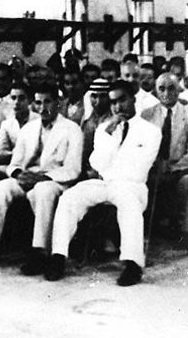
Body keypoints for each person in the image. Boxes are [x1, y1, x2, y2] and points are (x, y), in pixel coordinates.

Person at [46, 80, 161, 286]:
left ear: (133, 99)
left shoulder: (150, 131)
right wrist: (110, 137)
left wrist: (112, 168)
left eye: (122, 100)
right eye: (113, 102)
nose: (118, 107)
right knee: (69, 197)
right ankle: (58, 256)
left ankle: (133, 264)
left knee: (129, 203)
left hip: (132, 185)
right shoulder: (104, 129)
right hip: (105, 182)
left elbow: (139, 168)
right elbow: (97, 163)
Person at [0, 84, 83, 274]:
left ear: (58, 103)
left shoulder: (72, 129)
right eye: (38, 102)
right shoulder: (29, 128)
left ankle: (40, 252)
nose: (43, 107)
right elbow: (14, 163)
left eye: (48, 101)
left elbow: (73, 168)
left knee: (43, 191)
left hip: (54, 180)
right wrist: (18, 174)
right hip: (27, 177)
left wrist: (42, 177)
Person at [141, 73, 188, 243]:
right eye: (162, 89)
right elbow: (140, 145)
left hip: (180, 167)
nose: (166, 93)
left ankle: (178, 226)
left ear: (179, 90)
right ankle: (149, 227)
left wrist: (174, 167)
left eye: (171, 88)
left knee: (185, 182)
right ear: (156, 91)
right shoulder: (146, 115)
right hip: (153, 165)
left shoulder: (187, 113)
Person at [0, 82, 39, 170]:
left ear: (30, 100)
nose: (17, 102)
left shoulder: (38, 120)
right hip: (13, 164)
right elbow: (2, 151)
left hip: (35, 164)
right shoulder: (6, 124)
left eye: (21, 98)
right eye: (13, 98)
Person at [80, 78, 112, 179]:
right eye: (94, 96)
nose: (98, 101)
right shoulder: (87, 120)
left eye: (103, 96)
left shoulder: (113, 121)